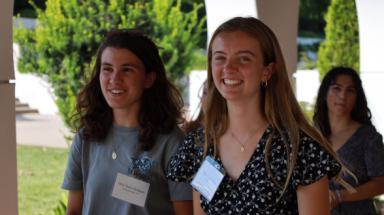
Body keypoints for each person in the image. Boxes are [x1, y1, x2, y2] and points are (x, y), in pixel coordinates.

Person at [166, 17, 354, 215]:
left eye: (243, 58)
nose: (228, 68)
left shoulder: (300, 148)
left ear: (267, 71)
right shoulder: (200, 143)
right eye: (220, 57)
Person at [61, 29, 193, 215]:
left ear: (149, 79)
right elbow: (73, 211)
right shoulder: (86, 137)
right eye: (107, 69)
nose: (115, 79)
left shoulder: (173, 143)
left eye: (127, 70)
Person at [313, 67, 384, 215]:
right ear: (325, 94)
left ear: (356, 99)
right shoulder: (311, 137)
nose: (342, 96)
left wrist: (339, 196)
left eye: (350, 90)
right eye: (336, 88)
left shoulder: (369, 137)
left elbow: (381, 184)